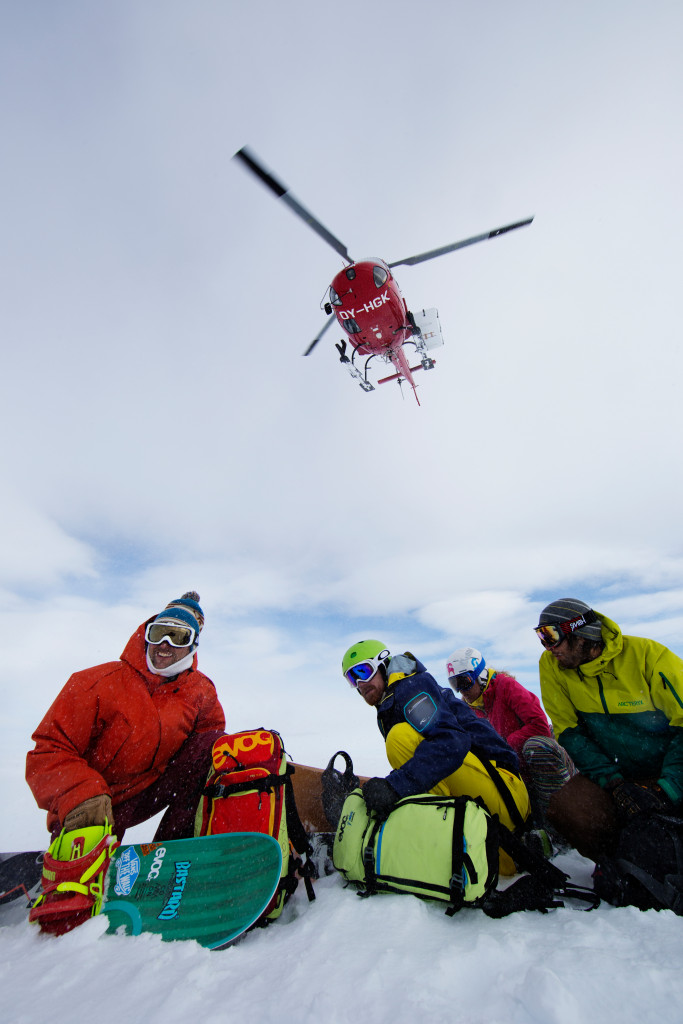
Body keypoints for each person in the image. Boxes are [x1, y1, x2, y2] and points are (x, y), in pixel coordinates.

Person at [26, 591, 225, 842]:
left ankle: (172, 853)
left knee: (212, 748)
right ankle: (76, 860)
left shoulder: (200, 691)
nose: (164, 644)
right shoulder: (96, 682)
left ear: (192, 645)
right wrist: (79, 793)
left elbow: (206, 744)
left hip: (149, 791)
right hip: (95, 799)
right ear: (146, 634)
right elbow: (49, 750)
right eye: (158, 632)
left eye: (177, 636)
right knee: (89, 851)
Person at [341, 639, 530, 875]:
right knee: (499, 865)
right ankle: (499, 852)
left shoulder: (409, 687)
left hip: (504, 789)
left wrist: (395, 786)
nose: (360, 684)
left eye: (363, 671)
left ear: (382, 664)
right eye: (352, 679)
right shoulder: (391, 700)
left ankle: (443, 840)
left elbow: (452, 742)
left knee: (400, 738)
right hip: (492, 795)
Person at [535, 597, 683, 861]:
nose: (548, 648)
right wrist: (614, 782)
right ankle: (620, 863)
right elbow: (569, 731)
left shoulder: (648, 656)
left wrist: (666, 789)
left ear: (579, 633)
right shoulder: (553, 667)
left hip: (669, 768)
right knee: (568, 808)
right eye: (541, 637)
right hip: (617, 773)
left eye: (551, 635)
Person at [446, 646, 576, 829]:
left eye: (464, 682)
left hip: (541, 765)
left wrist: (505, 747)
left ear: (480, 675)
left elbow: (539, 725)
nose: (461, 691)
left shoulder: (505, 686)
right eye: (455, 684)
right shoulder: (467, 711)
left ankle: (563, 824)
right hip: (514, 775)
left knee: (537, 746)